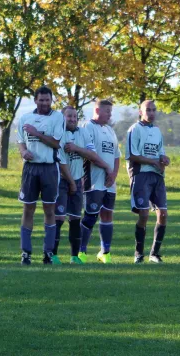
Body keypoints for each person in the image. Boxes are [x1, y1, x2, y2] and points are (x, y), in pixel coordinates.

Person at [54, 106, 112, 264]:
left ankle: (74, 257)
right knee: (58, 218)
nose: (72, 119)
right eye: (69, 116)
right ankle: (52, 255)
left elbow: (92, 154)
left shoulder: (82, 132)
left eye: (74, 116)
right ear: (62, 118)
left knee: (74, 218)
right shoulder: (57, 134)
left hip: (78, 180)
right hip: (61, 181)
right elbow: (61, 163)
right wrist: (72, 183)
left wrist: (76, 149)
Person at [17, 86, 65, 265]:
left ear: (51, 100)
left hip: (49, 169)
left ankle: (48, 252)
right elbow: (21, 142)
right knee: (28, 209)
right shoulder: (25, 118)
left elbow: (55, 143)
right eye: (41, 100)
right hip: (30, 169)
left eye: (48, 100)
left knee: (49, 210)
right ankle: (26, 252)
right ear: (35, 100)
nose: (45, 103)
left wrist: (36, 133)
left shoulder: (57, 117)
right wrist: (23, 152)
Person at [125, 100, 170, 263]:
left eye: (153, 110)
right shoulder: (134, 130)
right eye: (148, 110)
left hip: (157, 176)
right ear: (140, 112)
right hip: (141, 175)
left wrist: (164, 159)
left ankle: (154, 254)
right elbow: (132, 155)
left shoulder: (157, 131)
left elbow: (160, 153)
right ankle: (138, 253)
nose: (151, 113)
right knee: (143, 215)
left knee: (163, 214)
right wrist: (153, 162)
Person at [79, 99, 120, 264]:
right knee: (90, 216)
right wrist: (107, 170)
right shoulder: (87, 127)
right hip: (93, 180)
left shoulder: (110, 130)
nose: (110, 114)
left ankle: (105, 252)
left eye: (111, 111)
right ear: (97, 110)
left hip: (109, 181)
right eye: (107, 111)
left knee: (107, 214)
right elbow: (91, 155)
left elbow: (117, 155)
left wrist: (114, 174)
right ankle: (80, 252)